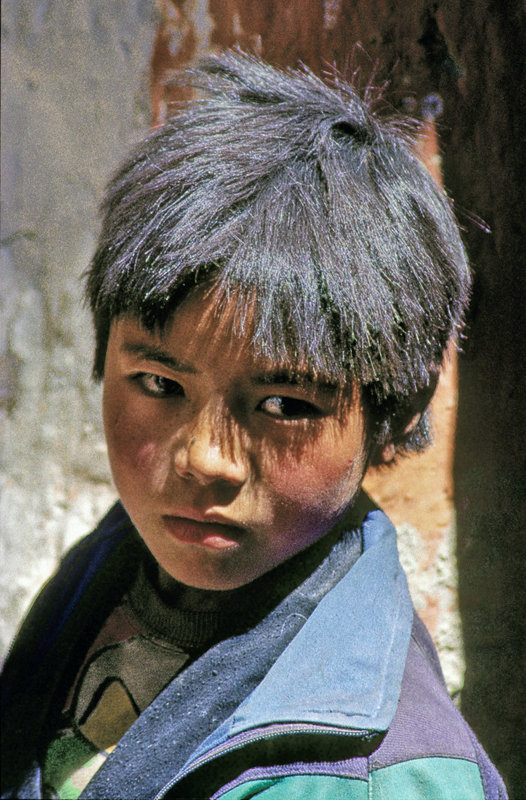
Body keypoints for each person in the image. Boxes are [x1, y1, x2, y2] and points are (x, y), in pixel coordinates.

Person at [1, 50, 507, 800]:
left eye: (285, 406)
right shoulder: (115, 565)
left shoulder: (382, 780)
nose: (206, 459)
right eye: (158, 383)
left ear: (392, 412)